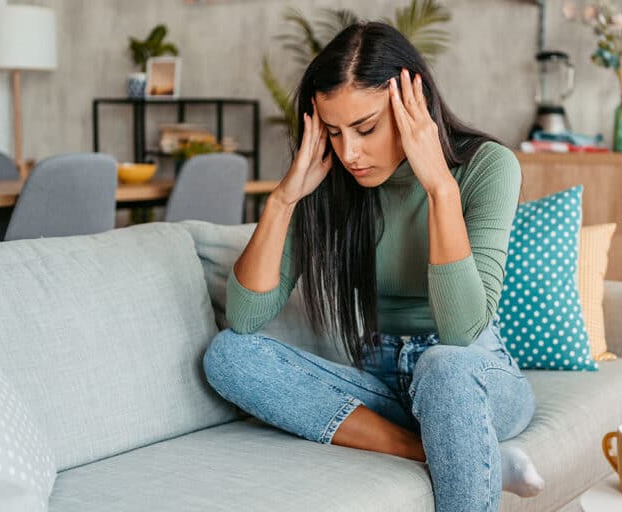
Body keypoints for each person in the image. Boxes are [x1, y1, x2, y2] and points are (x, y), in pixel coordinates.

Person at [203, 21, 544, 511]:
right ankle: (447, 451)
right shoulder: (329, 178)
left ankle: (466, 443)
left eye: (366, 128)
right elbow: (245, 318)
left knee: (443, 366)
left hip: (473, 374)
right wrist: (283, 200)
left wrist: (439, 188)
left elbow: (461, 330)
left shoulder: (488, 166)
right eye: (335, 132)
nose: (350, 153)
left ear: (414, 107)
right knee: (228, 355)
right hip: (382, 383)